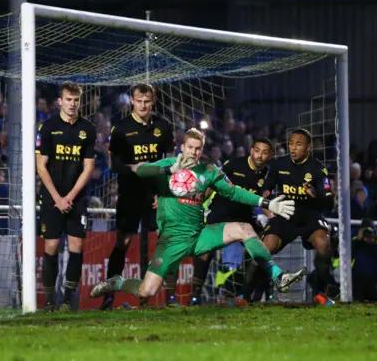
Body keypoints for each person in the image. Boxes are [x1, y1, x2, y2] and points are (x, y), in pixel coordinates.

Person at [90, 128, 306, 302]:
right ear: (182, 148)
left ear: (202, 150)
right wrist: (170, 170)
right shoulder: (168, 165)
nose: (193, 152)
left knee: (245, 228)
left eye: (198, 148)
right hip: (172, 240)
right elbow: (140, 170)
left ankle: (279, 276)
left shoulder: (209, 171)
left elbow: (233, 191)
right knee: (147, 291)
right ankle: (117, 282)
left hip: (199, 234)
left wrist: (265, 202)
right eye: (190, 147)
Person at [101, 83, 174, 310]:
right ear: (132, 100)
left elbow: (170, 162)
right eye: (139, 101)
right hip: (130, 194)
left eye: (147, 101)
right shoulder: (121, 128)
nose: (143, 105)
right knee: (123, 242)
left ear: (153, 102)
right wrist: (134, 168)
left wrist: (162, 191)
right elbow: (113, 164)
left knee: (164, 243)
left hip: (157, 195)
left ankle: (162, 297)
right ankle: (109, 295)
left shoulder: (163, 126)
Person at [246, 129, 336, 305]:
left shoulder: (318, 169)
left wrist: (316, 195)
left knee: (324, 245)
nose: (293, 148)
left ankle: (321, 295)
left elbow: (329, 204)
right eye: (291, 144)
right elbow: (265, 189)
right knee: (262, 250)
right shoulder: (280, 165)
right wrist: (265, 200)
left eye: (299, 144)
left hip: (310, 216)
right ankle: (245, 297)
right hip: (286, 214)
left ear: (308, 147)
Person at [36, 82, 97, 311]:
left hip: (76, 198)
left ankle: (68, 299)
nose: (72, 104)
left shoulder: (88, 129)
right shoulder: (48, 128)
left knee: (76, 246)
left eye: (76, 100)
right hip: (52, 197)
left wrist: (69, 197)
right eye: (68, 100)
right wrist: (57, 198)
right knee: (51, 246)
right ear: (59, 101)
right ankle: (50, 300)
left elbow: (88, 168)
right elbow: (41, 167)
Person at [191, 138, 274, 305]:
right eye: (257, 151)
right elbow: (212, 184)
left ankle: (249, 296)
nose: (260, 155)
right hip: (221, 212)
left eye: (264, 152)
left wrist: (273, 218)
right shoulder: (234, 164)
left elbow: (265, 200)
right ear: (251, 150)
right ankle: (195, 297)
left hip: (245, 216)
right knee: (204, 253)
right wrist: (198, 203)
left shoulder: (268, 175)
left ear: (270, 155)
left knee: (262, 250)